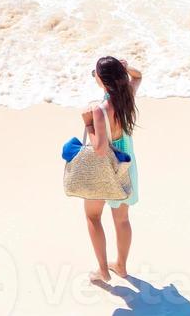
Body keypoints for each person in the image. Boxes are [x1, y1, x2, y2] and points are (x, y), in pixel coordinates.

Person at [81, 56, 142, 283]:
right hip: (126, 164)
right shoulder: (127, 96)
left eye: (94, 73)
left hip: (106, 168)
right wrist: (126, 68)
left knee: (92, 216)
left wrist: (88, 122)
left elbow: (100, 148)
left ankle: (103, 270)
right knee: (122, 219)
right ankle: (121, 266)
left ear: (102, 79)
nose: (94, 76)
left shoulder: (100, 110)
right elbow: (138, 76)